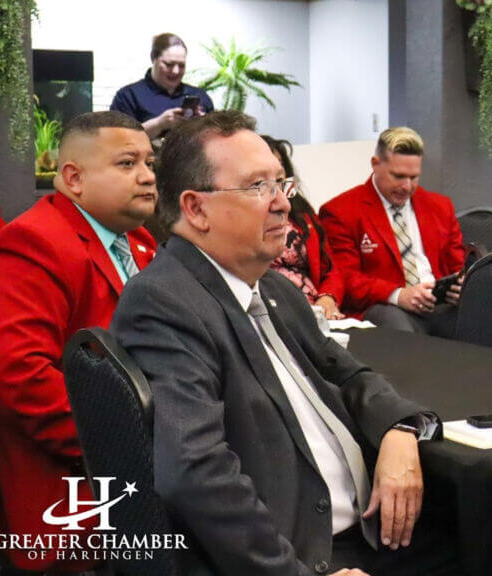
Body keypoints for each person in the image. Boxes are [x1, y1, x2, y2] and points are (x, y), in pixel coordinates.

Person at [111, 111, 456, 575]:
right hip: (304, 555)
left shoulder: (273, 288)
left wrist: (400, 428)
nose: (282, 204)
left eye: (281, 183)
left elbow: (349, 374)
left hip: (367, 533)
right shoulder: (165, 302)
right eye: (258, 186)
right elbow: (195, 472)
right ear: (196, 208)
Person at [0, 111, 158, 572]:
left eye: (149, 162)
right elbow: (14, 376)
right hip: (78, 505)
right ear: (74, 178)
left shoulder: (138, 240)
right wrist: (134, 447)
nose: (146, 176)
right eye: (127, 163)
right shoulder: (33, 243)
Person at [320, 127, 465, 335]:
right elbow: (346, 278)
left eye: (414, 177)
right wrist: (398, 295)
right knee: (395, 323)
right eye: (398, 176)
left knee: (486, 316)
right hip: (385, 307)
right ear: (375, 164)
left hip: (438, 303)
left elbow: (458, 266)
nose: (407, 186)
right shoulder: (341, 211)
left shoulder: (440, 207)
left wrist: (459, 286)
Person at [262, 135, 346, 320]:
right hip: (272, 310)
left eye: (279, 170)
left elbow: (331, 269)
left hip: (315, 310)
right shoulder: (245, 216)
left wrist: (328, 297)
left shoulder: (303, 215)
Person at [110, 33, 214, 140]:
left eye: (181, 65)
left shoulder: (200, 96)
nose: (175, 71)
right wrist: (159, 124)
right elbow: (117, 139)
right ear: (153, 58)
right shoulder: (128, 96)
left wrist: (202, 124)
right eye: (169, 64)